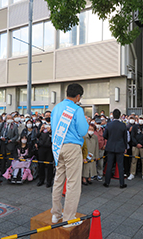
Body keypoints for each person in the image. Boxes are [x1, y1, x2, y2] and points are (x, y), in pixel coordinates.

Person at [51, 83, 88, 227]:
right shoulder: (76, 109)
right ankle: (68, 219)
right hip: (72, 147)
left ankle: (56, 214)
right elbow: (84, 131)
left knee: (58, 179)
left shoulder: (57, 107)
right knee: (73, 183)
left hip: (57, 146)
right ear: (78, 96)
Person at [103, 109, 127, 188]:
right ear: (120, 116)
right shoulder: (123, 125)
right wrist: (125, 147)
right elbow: (125, 138)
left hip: (110, 146)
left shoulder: (109, 125)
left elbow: (105, 135)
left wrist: (110, 139)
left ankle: (107, 182)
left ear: (112, 115)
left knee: (109, 164)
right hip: (120, 147)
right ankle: (121, 183)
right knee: (120, 165)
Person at [128, 115, 143, 181]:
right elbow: (132, 136)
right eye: (140, 119)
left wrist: (141, 143)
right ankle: (132, 173)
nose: (141, 120)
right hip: (135, 146)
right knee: (134, 160)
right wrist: (136, 143)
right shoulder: (134, 127)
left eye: (142, 119)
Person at [37, 119, 54, 187]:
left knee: (49, 165)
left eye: (49, 115)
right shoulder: (41, 125)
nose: (47, 117)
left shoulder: (54, 124)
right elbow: (37, 135)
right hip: (41, 147)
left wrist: (50, 132)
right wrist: (40, 130)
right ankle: (41, 180)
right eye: (46, 115)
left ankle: (49, 181)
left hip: (50, 147)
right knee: (41, 164)